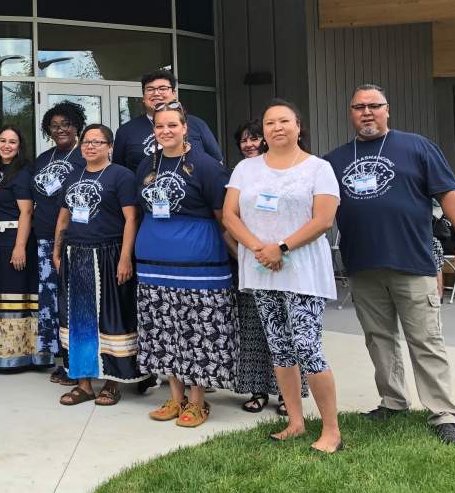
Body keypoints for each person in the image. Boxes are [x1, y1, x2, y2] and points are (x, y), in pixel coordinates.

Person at [324, 84, 455, 445]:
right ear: (350, 113)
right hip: (362, 264)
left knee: (426, 340)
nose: (367, 112)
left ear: (387, 110)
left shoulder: (417, 147)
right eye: (359, 107)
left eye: (375, 106)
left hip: (412, 262)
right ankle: (393, 401)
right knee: (379, 338)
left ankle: (444, 414)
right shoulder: (335, 160)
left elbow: (448, 194)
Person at [225, 100, 343, 453]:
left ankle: (332, 431)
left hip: (302, 270)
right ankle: (295, 420)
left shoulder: (318, 168)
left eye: (284, 121)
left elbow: (323, 219)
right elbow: (230, 216)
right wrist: (260, 249)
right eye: (269, 122)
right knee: (279, 348)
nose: (277, 127)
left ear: (298, 126)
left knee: (308, 347)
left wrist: (282, 247)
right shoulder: (246, 169)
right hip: (262, 271)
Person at [135, 102, 236, 429]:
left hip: (199, 266)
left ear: (185, 127)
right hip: (153, 264)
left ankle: (197, 401)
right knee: (163, 331)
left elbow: (223, 215)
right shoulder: (146, 166)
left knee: (198, 332)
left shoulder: (205, 166)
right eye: (159, 126)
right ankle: (174, 397)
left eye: (172, 126)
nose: (165, 131)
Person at [52, 123, 140, 407]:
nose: (90, 147)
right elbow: (63, 217)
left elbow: (131, 219)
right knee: (78, 321)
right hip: (75, 253)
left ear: (109, 146)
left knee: (111, 318)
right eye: (86, 142)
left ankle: (112, 383)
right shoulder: (73, 175)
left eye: (97, 142)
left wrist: (126, 257)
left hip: (108, 254)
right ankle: (83, 383)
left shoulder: (121, 176)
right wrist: (57, 250)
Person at [229, 118, 307, 416]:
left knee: (291, 330)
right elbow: (228, 220)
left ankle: (290, 396)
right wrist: (252, 255)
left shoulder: (296, 169)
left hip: (290, 263)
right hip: (251, 264)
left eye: (254, 138)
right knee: (256, 331)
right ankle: (258, 390)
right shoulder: (240, 173)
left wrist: (278, 251)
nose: (249, 144)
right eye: (244, 140)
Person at [31, 101, 87, 375]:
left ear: (77, 126)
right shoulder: (44, 159)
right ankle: (60, 357)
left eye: (66, 124)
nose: (61, 129)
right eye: (55, 126)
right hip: (43, 240)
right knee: (51, 301)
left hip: (75, 241)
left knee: (74, 299)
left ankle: (77, 358)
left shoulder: (84, 157)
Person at [0, 124, 38, 373]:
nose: (6, 145)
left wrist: (20, 247)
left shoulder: (21, 173)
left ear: (19, 146)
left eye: (12, 142)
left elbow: (26, 211)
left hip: (13, 241)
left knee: (14, 299)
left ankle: (19, 357)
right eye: (2, 141)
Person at [113, 71, 223, 172]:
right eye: (150, 89)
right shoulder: (126, 131)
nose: (156, 93)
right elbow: (119, 171)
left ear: (174, 93)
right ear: (143, 96)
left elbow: (217, 162)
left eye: (162, 88)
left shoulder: (197, 124)